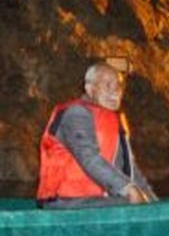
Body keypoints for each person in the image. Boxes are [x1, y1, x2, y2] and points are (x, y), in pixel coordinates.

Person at [37, 62, 157, 208]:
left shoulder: (113, 119)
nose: (116, 91)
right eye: (107, 85)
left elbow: (130, 167)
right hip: (63, 200)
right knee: (130, 201)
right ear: (90, 89)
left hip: (97, 199)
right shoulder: (76, 114)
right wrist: (127, 188)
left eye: (119, 86)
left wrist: (153, 202)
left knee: (142, 201)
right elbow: (88, 156)